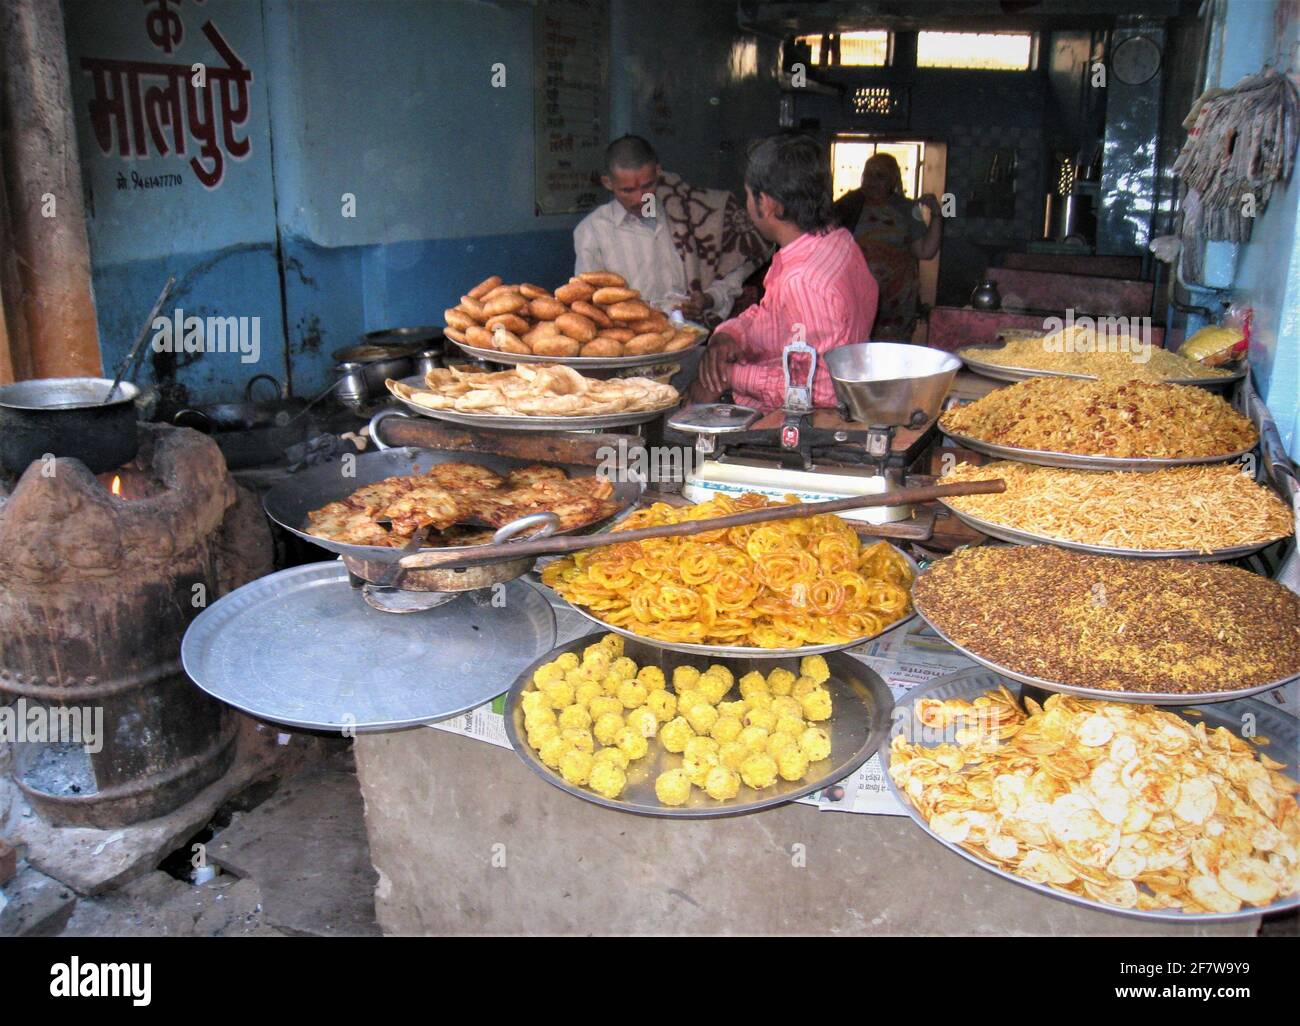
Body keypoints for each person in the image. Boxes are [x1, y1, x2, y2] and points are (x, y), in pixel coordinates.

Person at [691, 133, 878, 412]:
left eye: (747, 194)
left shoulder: (803, 279)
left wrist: (731, 377)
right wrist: (729, 335)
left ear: (766, 203)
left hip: (798, 427)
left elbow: (822, 391)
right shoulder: (835, 240)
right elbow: (771, 315)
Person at [573, 135, 768, 324]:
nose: (640, 198)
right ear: (608, 183)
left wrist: (709, 298)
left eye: (648, 186)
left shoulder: (685, 215)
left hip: (689, 337)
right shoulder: (592, 232)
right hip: (630, 346)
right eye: (628, 190)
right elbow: (588, 303)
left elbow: (733, 271)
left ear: (658, 172)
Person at [832, 152, 941, 341]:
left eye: (880, 176)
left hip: (896, 302)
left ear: (893, 180)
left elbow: (925, 250)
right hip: (856, 296)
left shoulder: (908, 209)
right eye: (868, 174)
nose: (872, 181)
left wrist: (938, 216)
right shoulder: (847, 205)